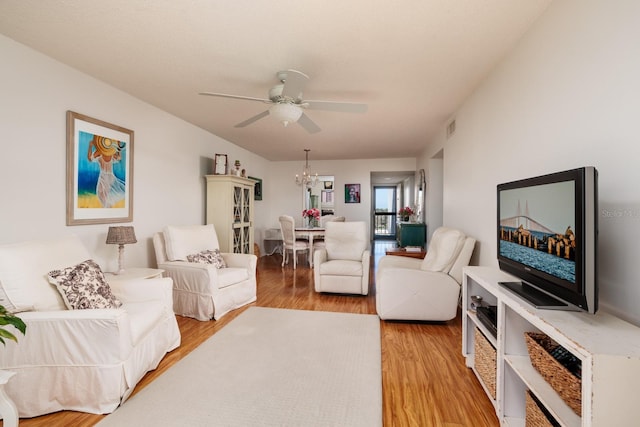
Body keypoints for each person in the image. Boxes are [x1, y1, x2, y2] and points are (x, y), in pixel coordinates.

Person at [87, 135, 126, 208]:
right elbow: (119, 158)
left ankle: (107, 207)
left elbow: (90, 158)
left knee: (101, 194)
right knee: (104, 194)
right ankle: (107, 207)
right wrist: (118, 147)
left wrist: (90, 146)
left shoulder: (99, 153)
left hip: (103, 176)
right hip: (110, 176)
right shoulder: (111, 154)